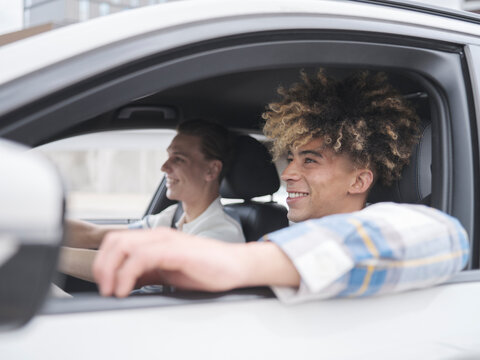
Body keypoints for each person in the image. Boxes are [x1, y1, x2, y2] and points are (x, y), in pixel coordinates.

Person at [92, 69, 469, 302]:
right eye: (290, 158)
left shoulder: (394, 224)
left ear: (360, 179)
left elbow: (444, 236)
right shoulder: (287, 229)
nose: (287, 173)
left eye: (310, 159)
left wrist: (233, 262)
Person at [59, 120, 245, 282]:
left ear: (211, 170)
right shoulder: (172, 217)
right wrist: (39, 228)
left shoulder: (221, 236)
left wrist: (45, 255)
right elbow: (95, 234)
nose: (164, 167)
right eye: (168, 156)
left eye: (178, 159)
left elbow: (131, 270)